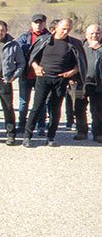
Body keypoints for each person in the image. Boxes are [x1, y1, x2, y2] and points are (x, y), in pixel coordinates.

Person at [23, 18, 86, 147]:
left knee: (55, 109)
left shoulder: (74, 43)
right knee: (37, 106)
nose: (65, 31)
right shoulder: (44, 40)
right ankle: (27, 136)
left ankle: (51, 137)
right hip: (43, 78)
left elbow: (80, 63)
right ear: (56, 27)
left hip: (61, 79)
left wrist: (72, 73)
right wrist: (36, 67)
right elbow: (32, 57)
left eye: (68, 29)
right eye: (63, 28)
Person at [15, 14, 50, 134]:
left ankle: (41, 125)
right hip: (26, 74)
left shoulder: (50, 38)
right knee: (23, 102)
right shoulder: (24, 37)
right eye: (36, 22)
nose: (38, 25)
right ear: (32, 24)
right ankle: (21, 124)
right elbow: (17, 51)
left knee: (41, 101)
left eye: (41, 23)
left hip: (42, 75)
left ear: (44, 24)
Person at [75, 23, 102, 142]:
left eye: (97, 33)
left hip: (98, 84)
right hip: (81, 82)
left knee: (97, 110)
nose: (94, 35)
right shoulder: (80, 46)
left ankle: (98, 133)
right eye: (92, 33)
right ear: (86, 34)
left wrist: (99, 49)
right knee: (79, 108)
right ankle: (81, 131)